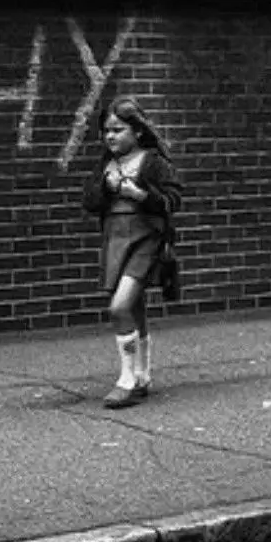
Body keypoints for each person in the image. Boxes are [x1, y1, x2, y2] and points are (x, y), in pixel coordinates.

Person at [82, 96, 182, 409]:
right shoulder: (106, 164)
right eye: (106, 131)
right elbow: (89, 201)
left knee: (119, 307)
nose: (110, 136)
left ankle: (126, 379)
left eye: (117, 129)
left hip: (145, 241)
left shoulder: (152, 162)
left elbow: (173, 200)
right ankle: (142, 375)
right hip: (115, 240)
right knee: (135, 308)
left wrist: (138, 193)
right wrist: (106, 188)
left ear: (136, 131)